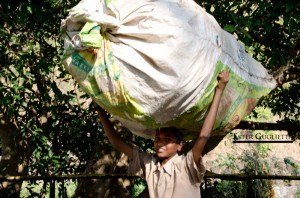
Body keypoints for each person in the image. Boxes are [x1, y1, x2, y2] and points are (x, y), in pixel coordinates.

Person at [97, 71, 230, 198]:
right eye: (157, 139)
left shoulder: (186, 164)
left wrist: (219, 90)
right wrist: (100, 111)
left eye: (167, 139)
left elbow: (204, 136)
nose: (160, 143)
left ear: (180, 146)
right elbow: (116, 142)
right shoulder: (150, 164)